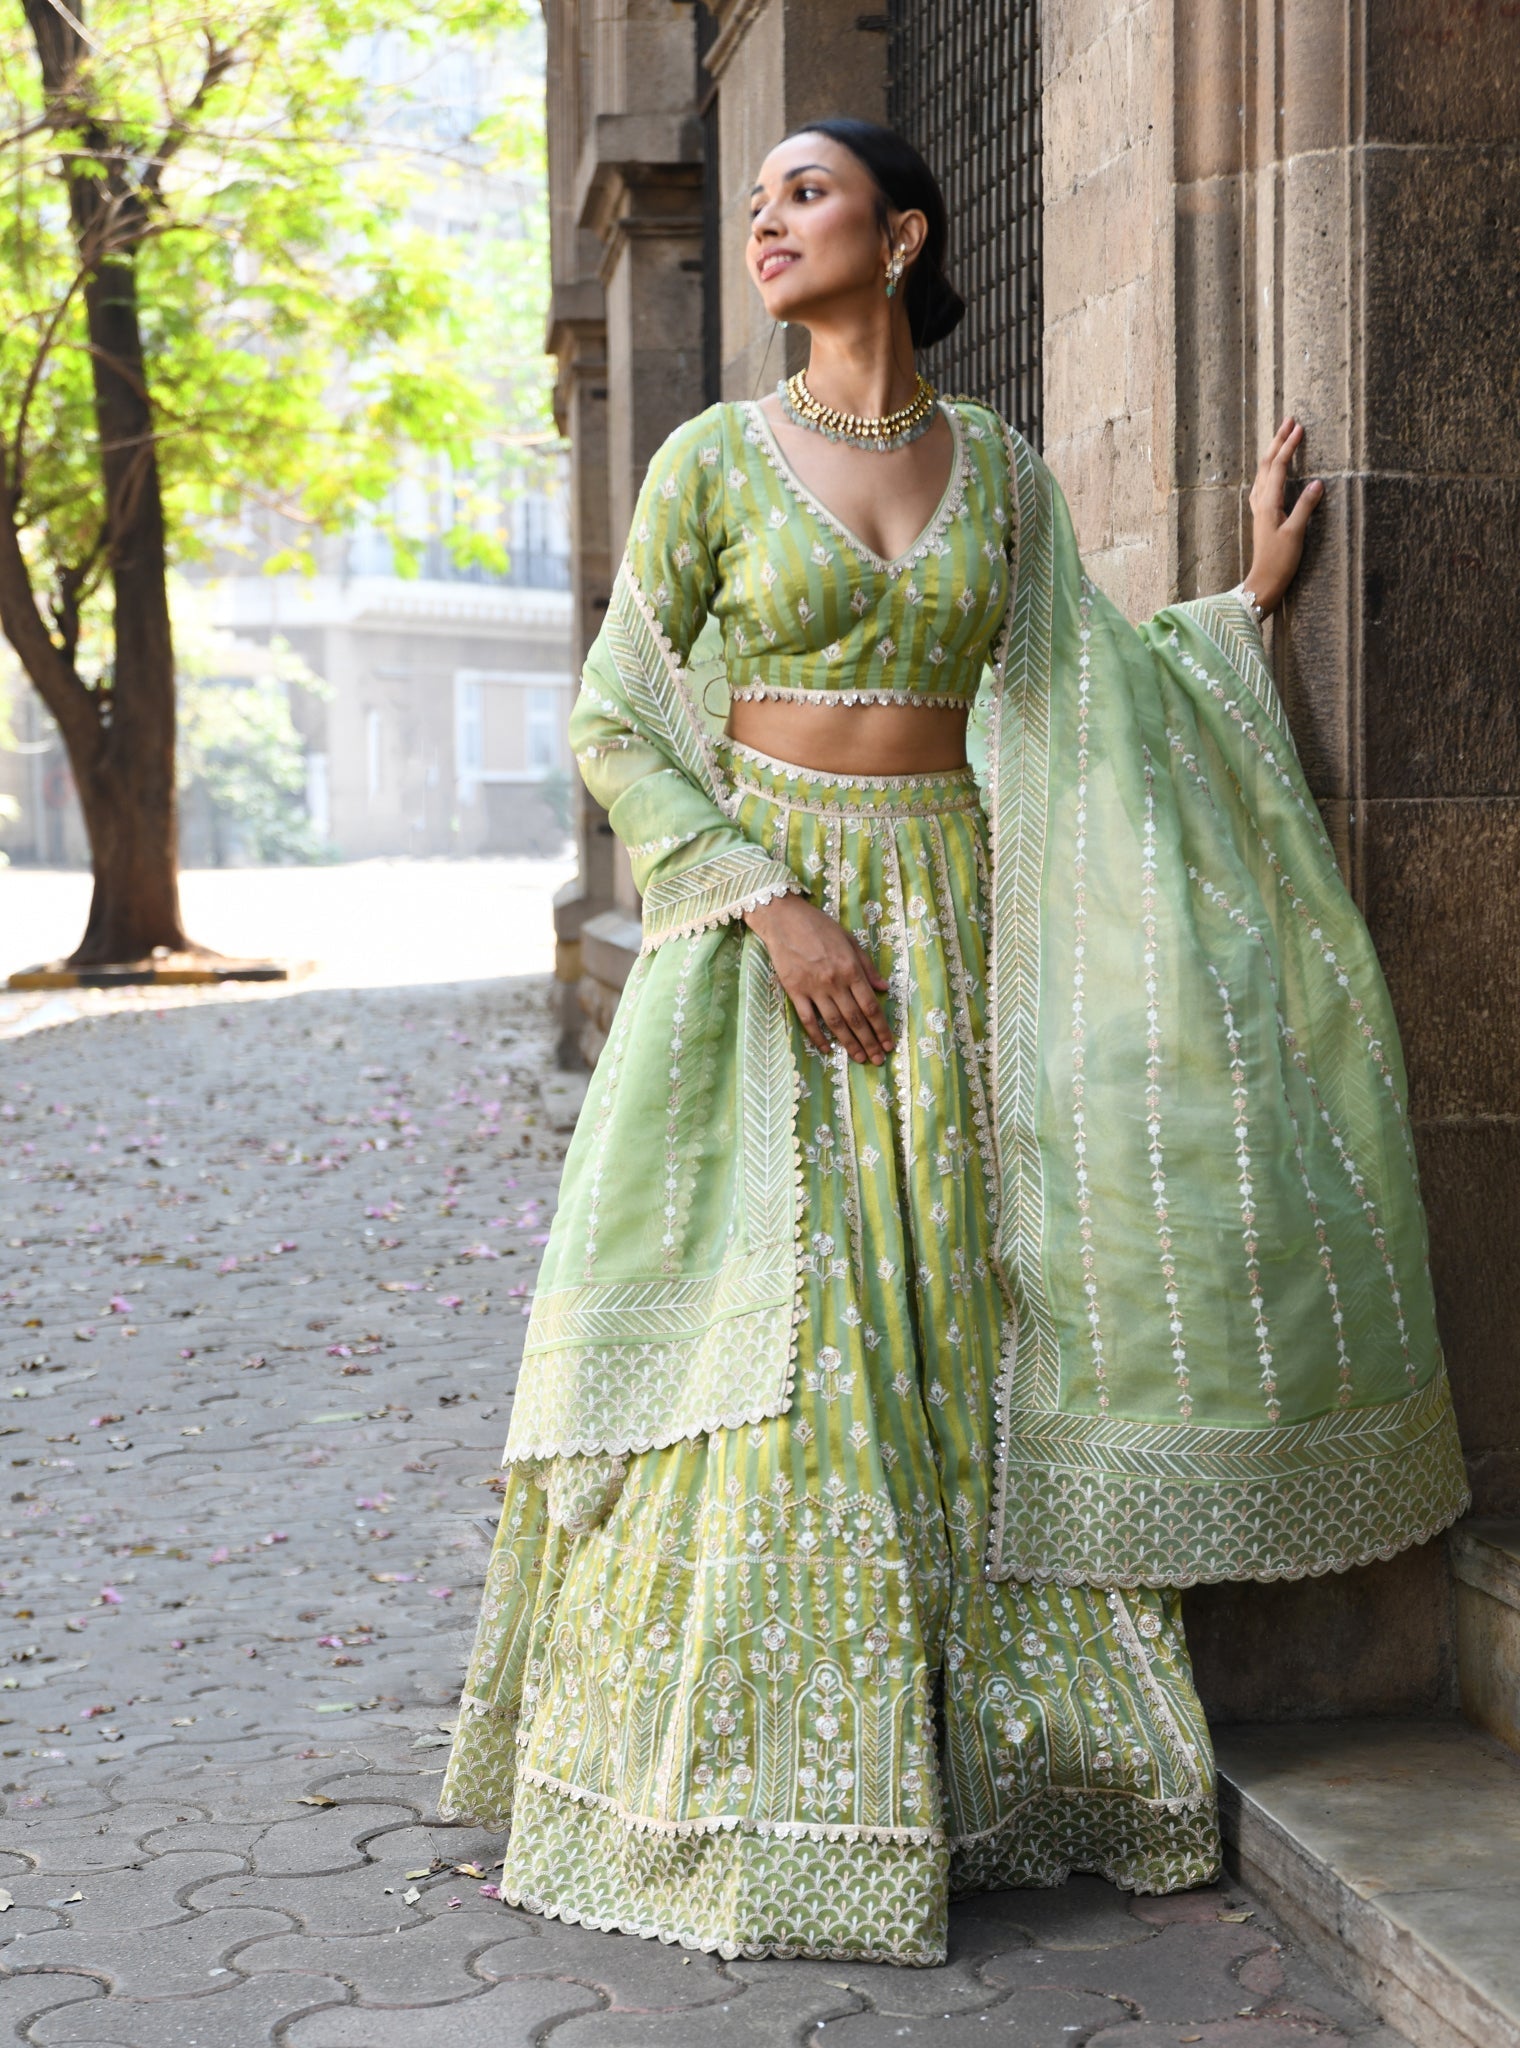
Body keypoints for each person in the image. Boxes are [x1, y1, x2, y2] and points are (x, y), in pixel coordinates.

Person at [441, 116, 1467, 1966]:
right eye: (751, 200)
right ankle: (757, 1802)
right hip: (769, 942)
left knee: (962, 1330)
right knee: (795, 1336)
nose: (766, 219)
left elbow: (1088, 684)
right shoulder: (704, 463)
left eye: (805, 193)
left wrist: (1240, 610)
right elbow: (615, 719)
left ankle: (996, 1771)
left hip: (959, 933)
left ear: (903, 235)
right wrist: (768, 898)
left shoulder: (993, 468)